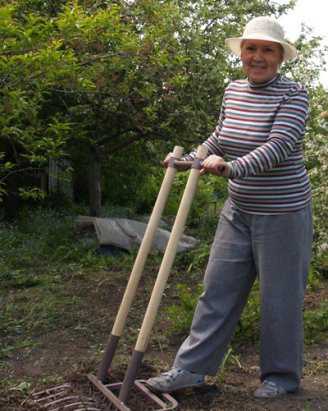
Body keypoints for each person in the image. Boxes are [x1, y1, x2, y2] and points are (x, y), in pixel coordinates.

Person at [146, 16, 313, 399]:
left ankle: (282, 377)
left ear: (280, 57)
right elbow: (219, 137)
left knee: (280, 297)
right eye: (251, 48)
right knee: (216, 290)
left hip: (283, 213)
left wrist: (231, 167)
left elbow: (278, 146)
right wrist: (191, 158)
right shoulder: (233, 91)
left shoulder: (294, 95)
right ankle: (191, 369)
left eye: (266, 50)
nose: (257, 57)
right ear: (241, 53)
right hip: (239, 211)